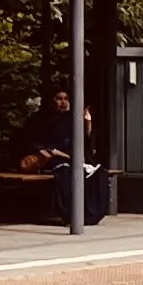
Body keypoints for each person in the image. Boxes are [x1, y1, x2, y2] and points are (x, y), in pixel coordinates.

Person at [22, 84, 111, 225]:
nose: (63, 102)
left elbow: (84, 145)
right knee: (67, 174)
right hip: (53, 159)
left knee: (99, 173)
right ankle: (71, 214)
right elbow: (32, 142)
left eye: (66, 99)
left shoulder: (71, 119)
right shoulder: (39, 119)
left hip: (73, 157)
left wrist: (88, 125)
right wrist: (52, 151)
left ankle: (91, 213)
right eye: (59, 99)